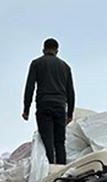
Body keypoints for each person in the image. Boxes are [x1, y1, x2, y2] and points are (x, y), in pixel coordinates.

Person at [23, 37, 75, 165]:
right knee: (60, 142)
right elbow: (71, 92)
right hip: (60, 106)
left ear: (43, 50)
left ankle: (49, 170)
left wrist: (26, 109)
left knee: (48, 141)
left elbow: (30, 87)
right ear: (57, 51)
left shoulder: (36, 63)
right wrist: (70, 113)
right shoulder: (65, 67)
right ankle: (61, 170)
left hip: (44, 105)